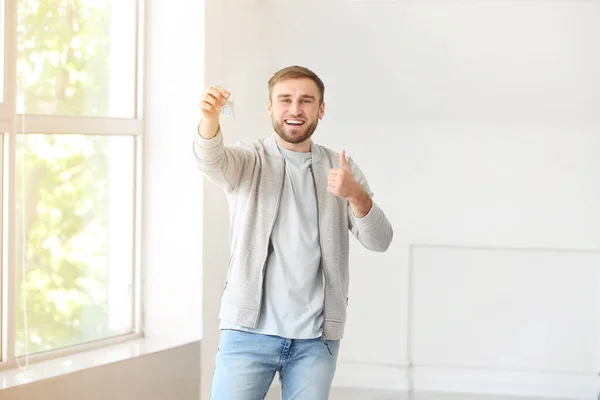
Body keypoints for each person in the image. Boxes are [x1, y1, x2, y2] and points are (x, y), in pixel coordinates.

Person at [193, 65, 393, 400]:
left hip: (316, 342)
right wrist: (210, 119)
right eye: (285, 100)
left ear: (321, 109)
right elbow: (210, 161)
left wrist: (356, 195)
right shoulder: (249, 160)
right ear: (270, 108)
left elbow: (380, 240)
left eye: (306, 101)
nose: (295, 110)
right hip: (247, 334)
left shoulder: (340, 167)